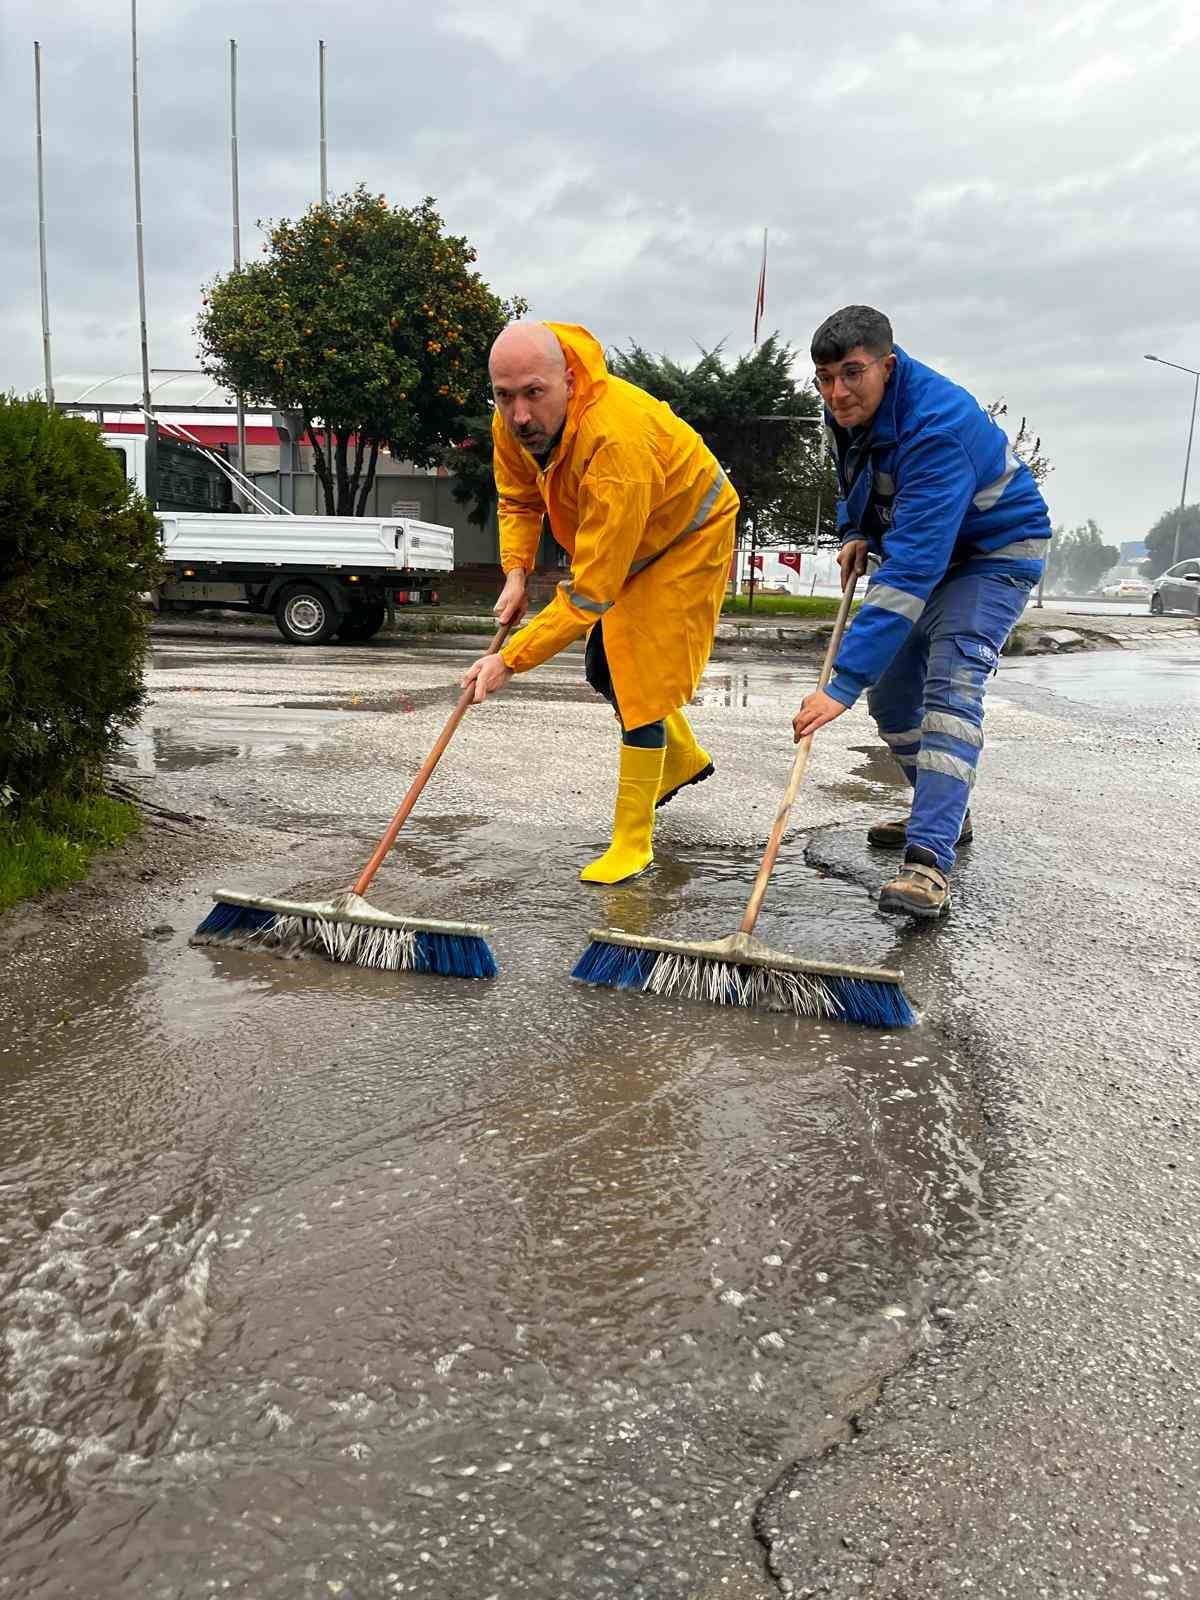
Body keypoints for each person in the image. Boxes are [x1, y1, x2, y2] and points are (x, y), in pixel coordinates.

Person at [791, 306, 1050, 920]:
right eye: (824, 378)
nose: (837, 393)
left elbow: (910, 572)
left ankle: (929, 860)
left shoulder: (937, 426)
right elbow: (856, 480)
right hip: (929, 548)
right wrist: (854, 529)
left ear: (887, 364)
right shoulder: (844, 413)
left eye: (851, 374)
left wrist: (842, 683)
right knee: (894, 700)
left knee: (950, 689)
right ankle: (945, 807)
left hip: (992, 553)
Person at [462, 321, 739, 884]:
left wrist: (509, 659)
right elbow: (517, 496)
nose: (519, 414)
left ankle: (633, 843)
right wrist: (515, 572)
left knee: (637, 674)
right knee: (602, 664)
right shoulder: (515, 424)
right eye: (504, 395)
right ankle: (681, 758)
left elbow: (589, 594)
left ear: (567, 379)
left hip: (687, 534)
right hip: (631, 539)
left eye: (533, 393)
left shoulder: (615, 442)